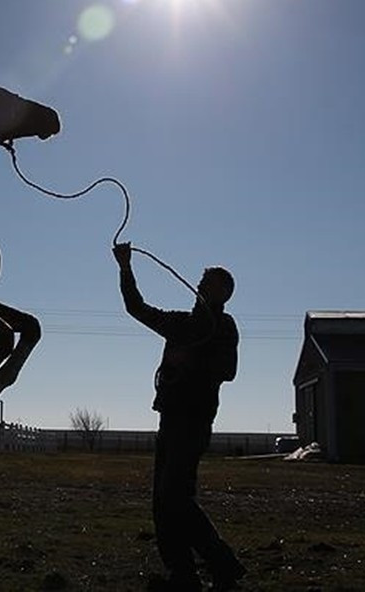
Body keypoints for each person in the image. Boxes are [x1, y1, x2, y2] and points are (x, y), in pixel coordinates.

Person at [112, 242, 246, 592]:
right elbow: (136, 308)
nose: (203, 283)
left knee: (175, 497)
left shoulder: (224, 327)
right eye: (203, 279)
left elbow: (228, 370)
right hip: (170, 419)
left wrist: (191, 362)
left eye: (211, 282)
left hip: (194, 420)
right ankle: (182, 573)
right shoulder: (181, 323)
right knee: (164, 499)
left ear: (224, 293)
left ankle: (223, 566)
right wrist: (125, 268)